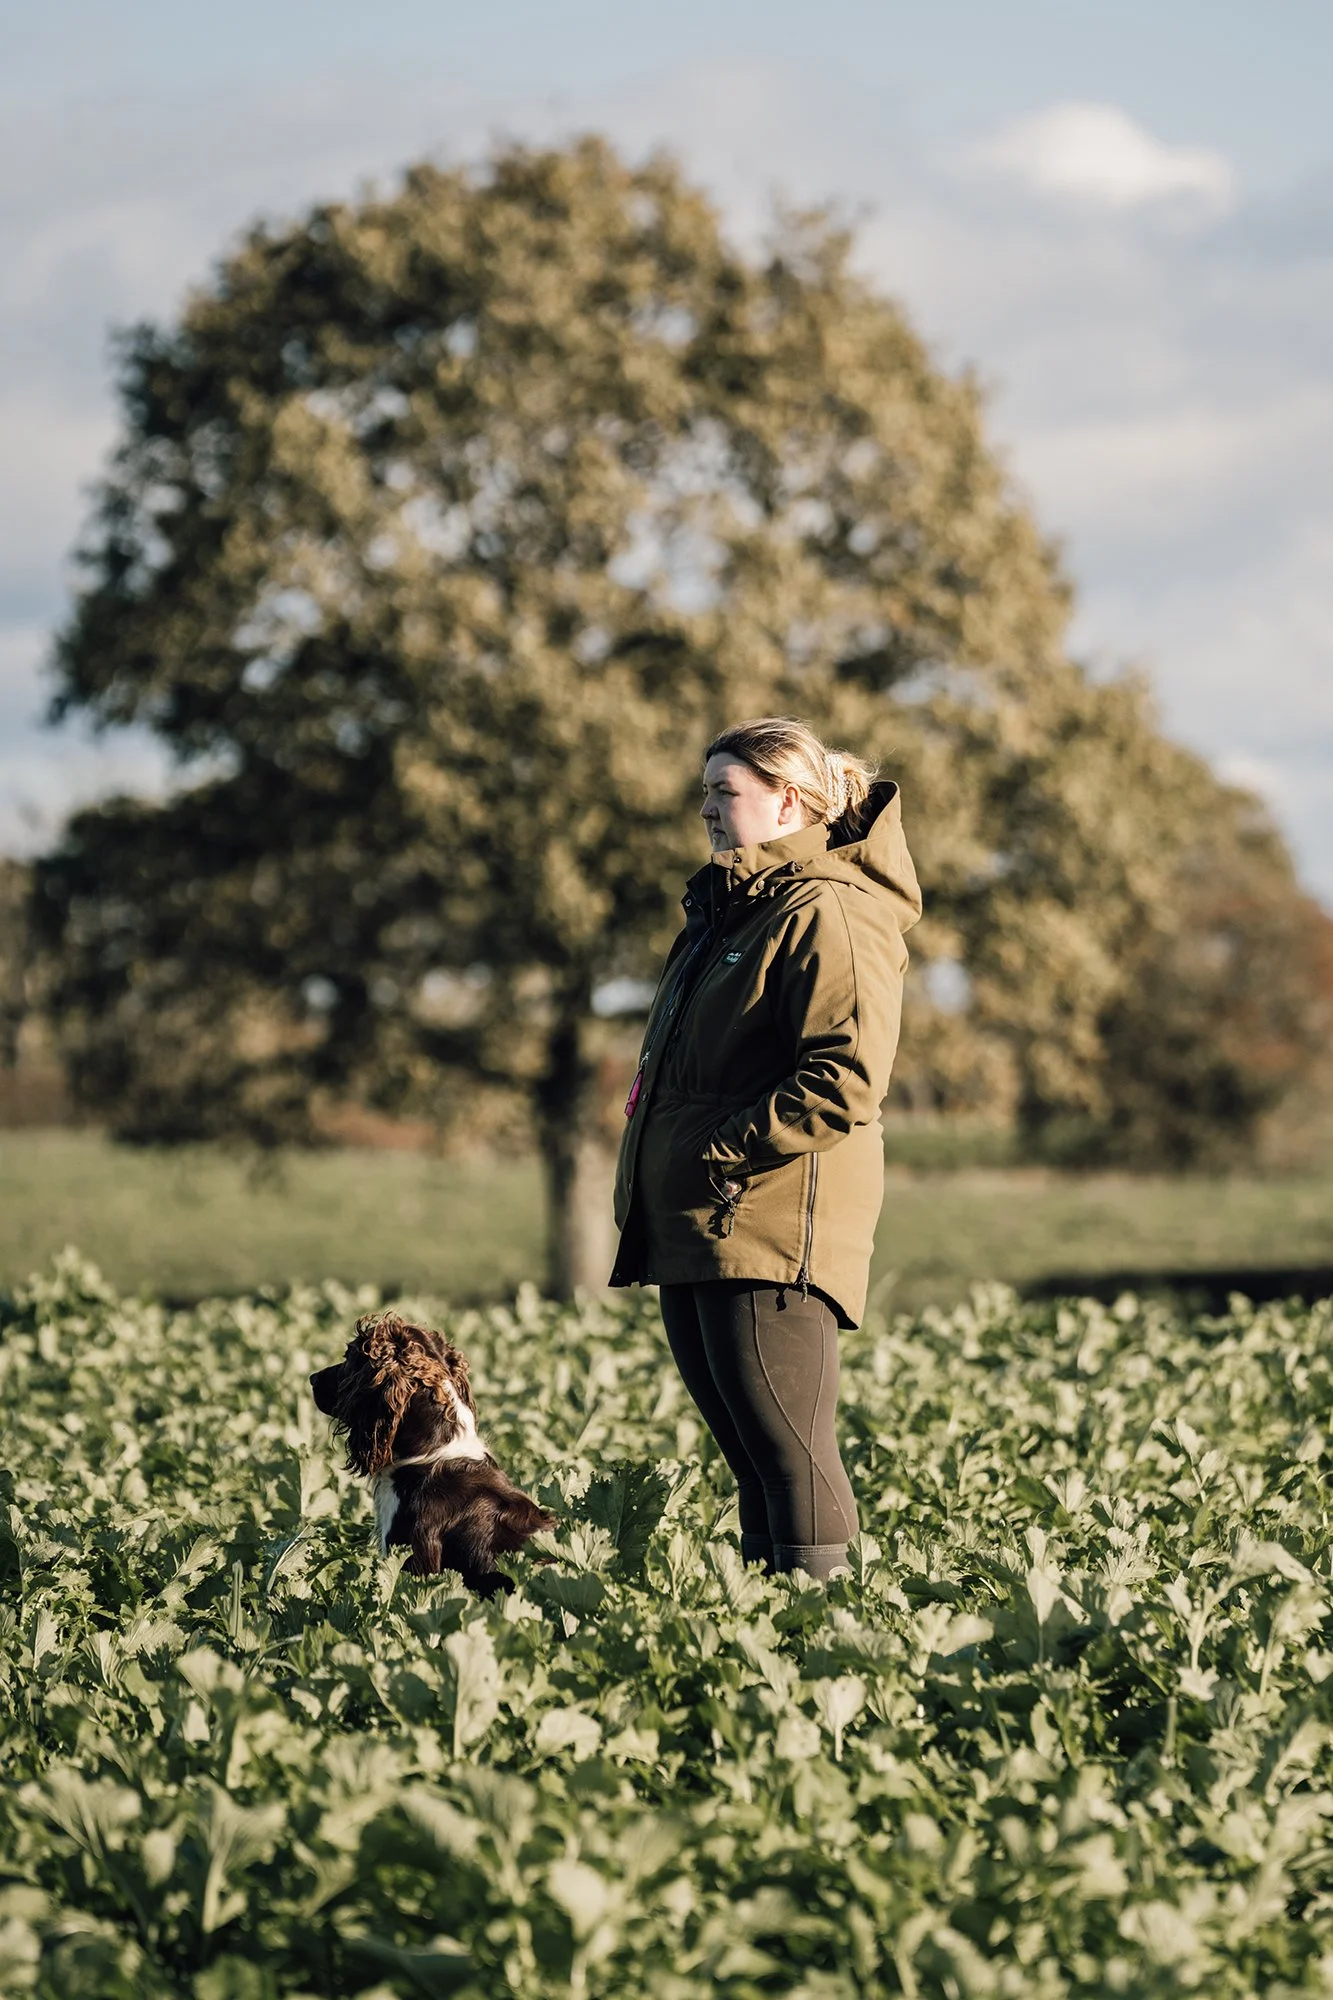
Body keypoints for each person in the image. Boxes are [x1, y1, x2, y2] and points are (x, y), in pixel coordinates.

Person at [609, 717, 922, 1581]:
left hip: (768, 1219)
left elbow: (846, 1077)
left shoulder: (829, 909)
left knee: (790, 1451)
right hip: (702, 1219)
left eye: (725, 791)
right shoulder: (730, 910)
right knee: (752, 1455)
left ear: (789, 801)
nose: (705, 807)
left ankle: (822, 1636)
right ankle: (769, 1638)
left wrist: (722, 1153)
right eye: (705, 789)